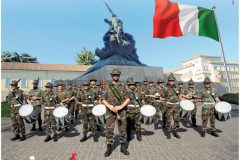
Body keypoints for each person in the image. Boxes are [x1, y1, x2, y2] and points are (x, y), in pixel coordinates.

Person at [102, 68, 130, 157]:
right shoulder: (107, 86)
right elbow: (102, 99)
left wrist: (120, 107)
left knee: (122, 130)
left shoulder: (124, 86)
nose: (116, 76)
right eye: (114, 75)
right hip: (110, 111)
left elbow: (128, 99)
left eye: (117, 75)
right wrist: (109, 106)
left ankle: (123, 147)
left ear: (119, 76)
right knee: (109, 130)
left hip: (121, 111)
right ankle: (109, 148)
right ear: (112, 76)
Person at [164, 74, 181, 139]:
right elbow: (162, 97)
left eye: (173, 81)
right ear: (168, 81)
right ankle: (168, 132)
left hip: (176, 106)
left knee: (176, 120)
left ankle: (175, 131)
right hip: (169, 106)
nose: (172, 82)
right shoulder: (165, 88)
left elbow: (179, 95)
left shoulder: (177, 88)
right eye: (170, 81)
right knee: (168, 120)